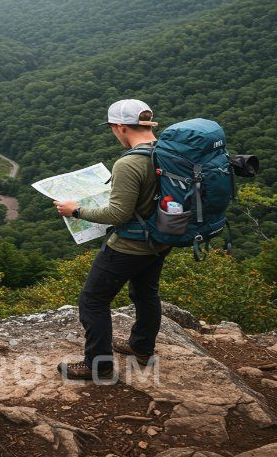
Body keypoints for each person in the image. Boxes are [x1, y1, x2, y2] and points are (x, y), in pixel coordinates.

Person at [53, 99, 172, 380]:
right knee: (145, 292)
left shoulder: (129, 163)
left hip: (130, 245)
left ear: (120, 127)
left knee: (93, 300)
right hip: (162, 238)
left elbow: (118, 213)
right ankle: (142, 348)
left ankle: (99, 365)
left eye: (111, 128)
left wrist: (76, 210)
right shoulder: (167, 152)